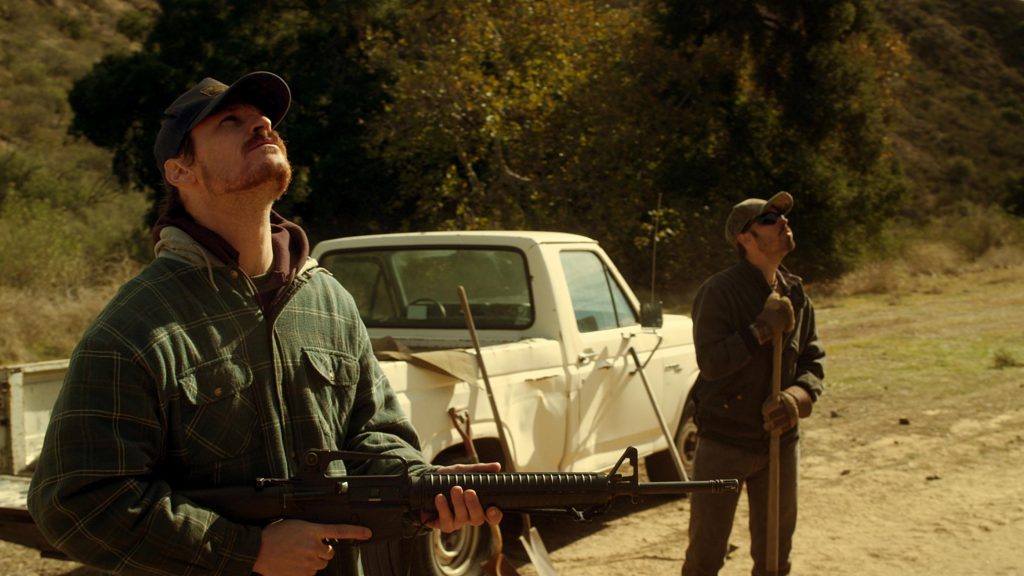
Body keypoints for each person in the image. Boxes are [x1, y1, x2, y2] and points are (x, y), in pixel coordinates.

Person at [28, 71, 502, 576]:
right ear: (179, 170)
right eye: (232, 122)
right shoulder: (138, 326)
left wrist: (421, 487)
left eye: (265, 120)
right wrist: (244, 550)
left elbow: (374, 433)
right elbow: (75, 502)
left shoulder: (327, 300)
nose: (263, 127)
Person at [682, 192, 825, 576]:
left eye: (782, 216)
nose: (783, 222)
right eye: (769, 219)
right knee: (706, 557)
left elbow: (813, 361)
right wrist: (761, 329)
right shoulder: (719, 292)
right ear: (744, 238)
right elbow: (711, 363)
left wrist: (796, 399)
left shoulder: (794, 292)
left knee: (775, 557)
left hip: (779, 442)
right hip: (723, 442)